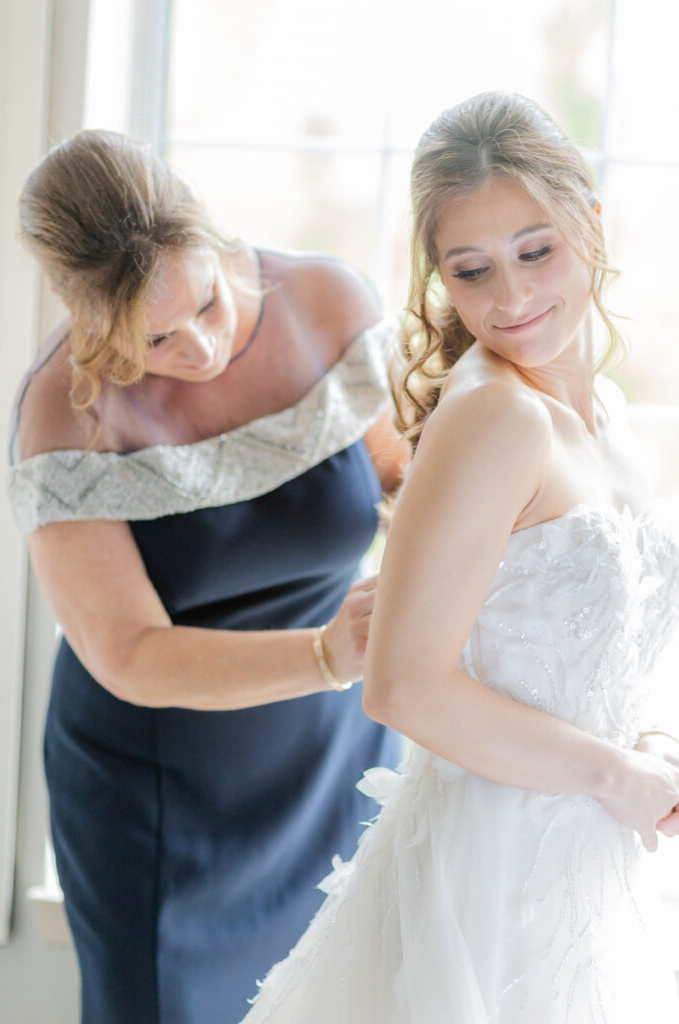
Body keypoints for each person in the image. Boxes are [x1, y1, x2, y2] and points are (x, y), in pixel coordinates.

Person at [239, 92, 679, 1023]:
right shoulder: (493, 416)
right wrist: (613, 773)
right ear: (439, 276)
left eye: (535, 251)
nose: (511, 299)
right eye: (471, 270)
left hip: (602, 861)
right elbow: (402, 686)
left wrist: (646, 743)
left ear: (589, 226)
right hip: (499, 873)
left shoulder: (608, 414)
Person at [7, 129, 410, 1024]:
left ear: (215, 240)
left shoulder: (327, 302)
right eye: (154, 339)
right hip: (159, 790)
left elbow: (394, 477)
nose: (200, 346)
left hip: (331, 755)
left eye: (210, 304)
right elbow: (127, 651)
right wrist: (320, 653)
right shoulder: (60, 411)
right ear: (85, 318)